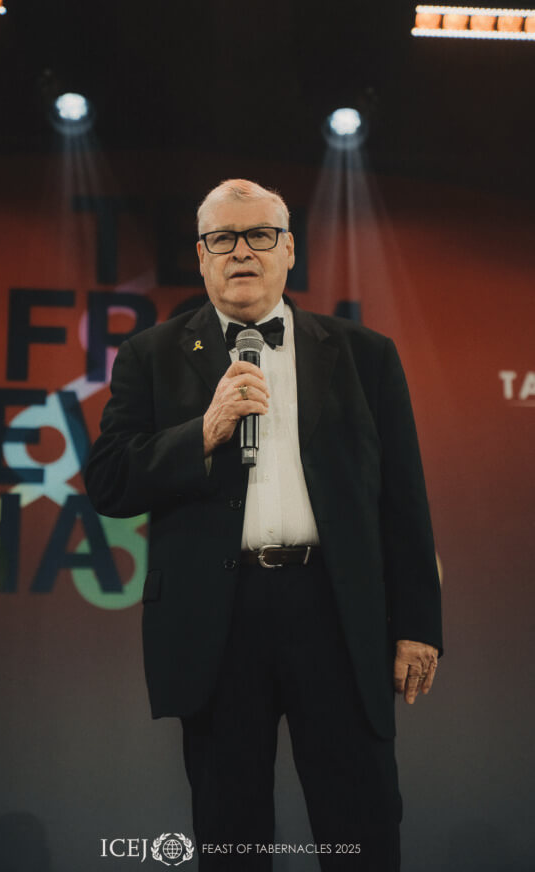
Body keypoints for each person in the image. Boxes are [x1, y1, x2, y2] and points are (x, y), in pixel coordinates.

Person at [84, 179, 442, 871]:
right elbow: (109, 482)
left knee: (363, 825)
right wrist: (205, 431)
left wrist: (418, 623)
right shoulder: (151, 357)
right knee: (231, 831)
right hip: (220, 617)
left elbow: (403, 502)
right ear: (201, 255)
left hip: (335, 613)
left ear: (288, 250)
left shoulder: (365, 354)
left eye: (258, 236)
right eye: (223, 237)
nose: (240, 251)